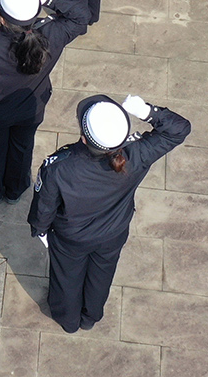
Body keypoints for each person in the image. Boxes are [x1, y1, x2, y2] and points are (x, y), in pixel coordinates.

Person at [30, 95, 191, 332]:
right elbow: (179, 129)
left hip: (72, 239)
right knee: (101, 276)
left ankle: (69, 320)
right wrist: (148, 112)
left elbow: (44, 206)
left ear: (85, 138)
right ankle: (90, 316)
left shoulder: (58, 167)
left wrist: (40, 229)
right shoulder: (137, 154)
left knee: (67, 279)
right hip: (113, 232)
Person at [0, 0, 91, 202]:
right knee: (22, 148)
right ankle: (15, 189)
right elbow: (82, 15)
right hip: (32, 108)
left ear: (2, 18)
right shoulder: (53, 33)